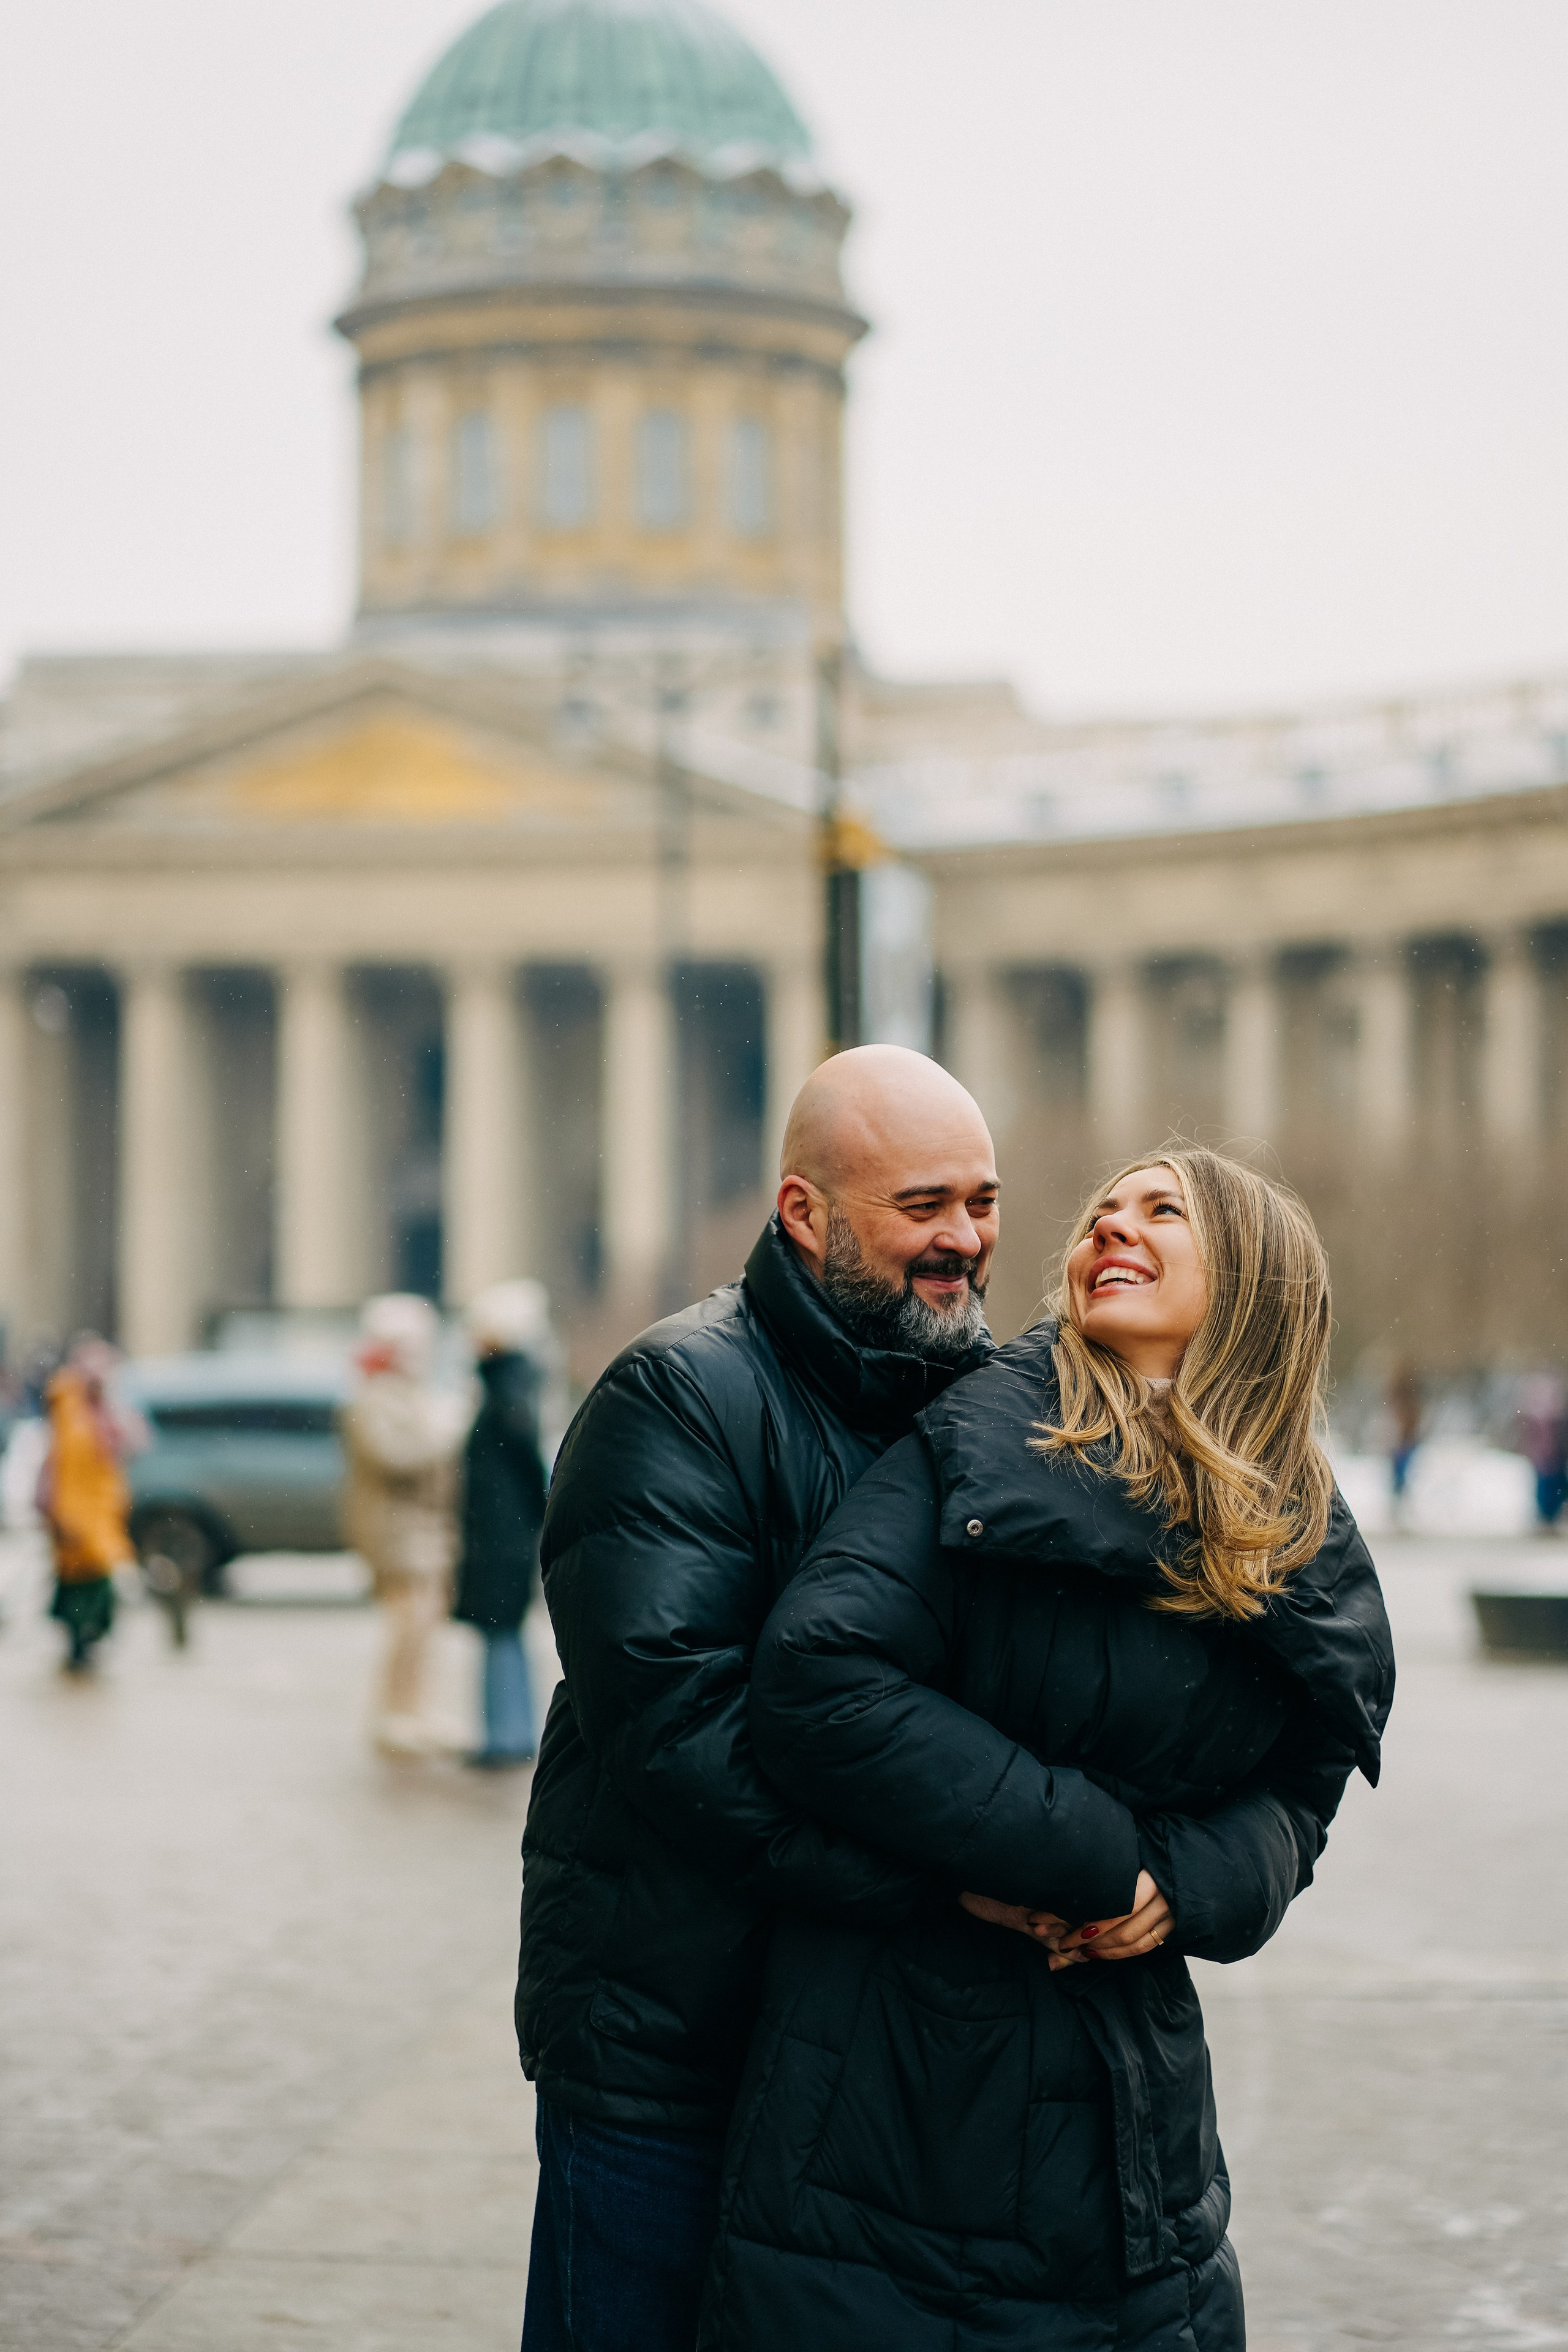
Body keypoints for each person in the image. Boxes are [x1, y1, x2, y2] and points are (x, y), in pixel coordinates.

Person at [699, 1146, 1395, 2352]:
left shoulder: (1286, 1515)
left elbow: (1303, 1783)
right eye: (1098, 1215)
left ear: (1251, 1285)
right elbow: (816, 1679)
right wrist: (1092, 1855)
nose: (1108, 1230)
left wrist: (1177, 1888)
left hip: (1141, 2127)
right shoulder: (978, 1435)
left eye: (1159, 1211)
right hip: (897, 2109)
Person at [517, 1044, 1000, 2352]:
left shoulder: (986, 1405)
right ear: (802, 1213)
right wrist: (956, 1882)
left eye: (982, 1201)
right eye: (922, 1208)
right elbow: (685, 1739)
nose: (963, 1240)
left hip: (867, 2058)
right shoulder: (673, 1396)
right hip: (667, 2058)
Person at [341, 1293, 464, 1757]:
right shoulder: (371, 1398)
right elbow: (397, 1457)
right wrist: (445, 1434)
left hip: (425, 1530)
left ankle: (414, 1709)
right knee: (406, 1626)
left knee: (425, 1625)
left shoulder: (408, 1396)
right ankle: (393, 1713)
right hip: (394, 1533)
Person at [454, 1281, 553, 1770]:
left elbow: (522, 1459)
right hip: (504, 1531)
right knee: (502, 1631)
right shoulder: (512, 1384)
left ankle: (506, 1735)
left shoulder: (505, 1388)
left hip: (501, 1535)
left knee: (501, 1632)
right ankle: (507, 1732)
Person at [40, 1333, 146, 1672]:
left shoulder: (106, 1411)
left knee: (96, 1573)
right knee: (79, 1576)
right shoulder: (67, 1409)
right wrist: (60, 1511)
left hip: (102, 1510)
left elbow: (131, 1445)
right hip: (73, 1511)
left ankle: (88, 1637)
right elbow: (61, 1464)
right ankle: (79, 1638)